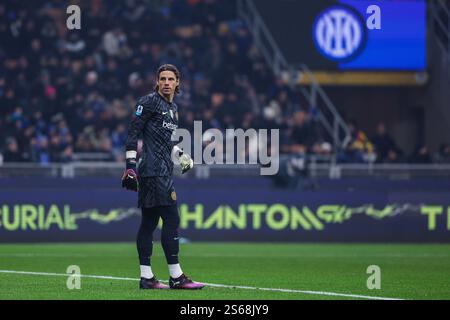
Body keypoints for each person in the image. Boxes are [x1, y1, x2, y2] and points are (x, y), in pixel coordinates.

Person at [121, 64, 204, 290]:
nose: (167, 82)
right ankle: (176, 277)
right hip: (154, 171)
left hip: (161, 169)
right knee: (172, 219)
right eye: (163, 79)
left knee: (148, 223)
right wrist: (130, 167)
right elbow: (133, 134)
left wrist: (181, 155)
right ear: (157, 82)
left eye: (171, 79)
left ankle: (146, 277)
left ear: (178, 83)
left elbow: (164, 143)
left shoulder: (173, 109)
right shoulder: (148, 102)